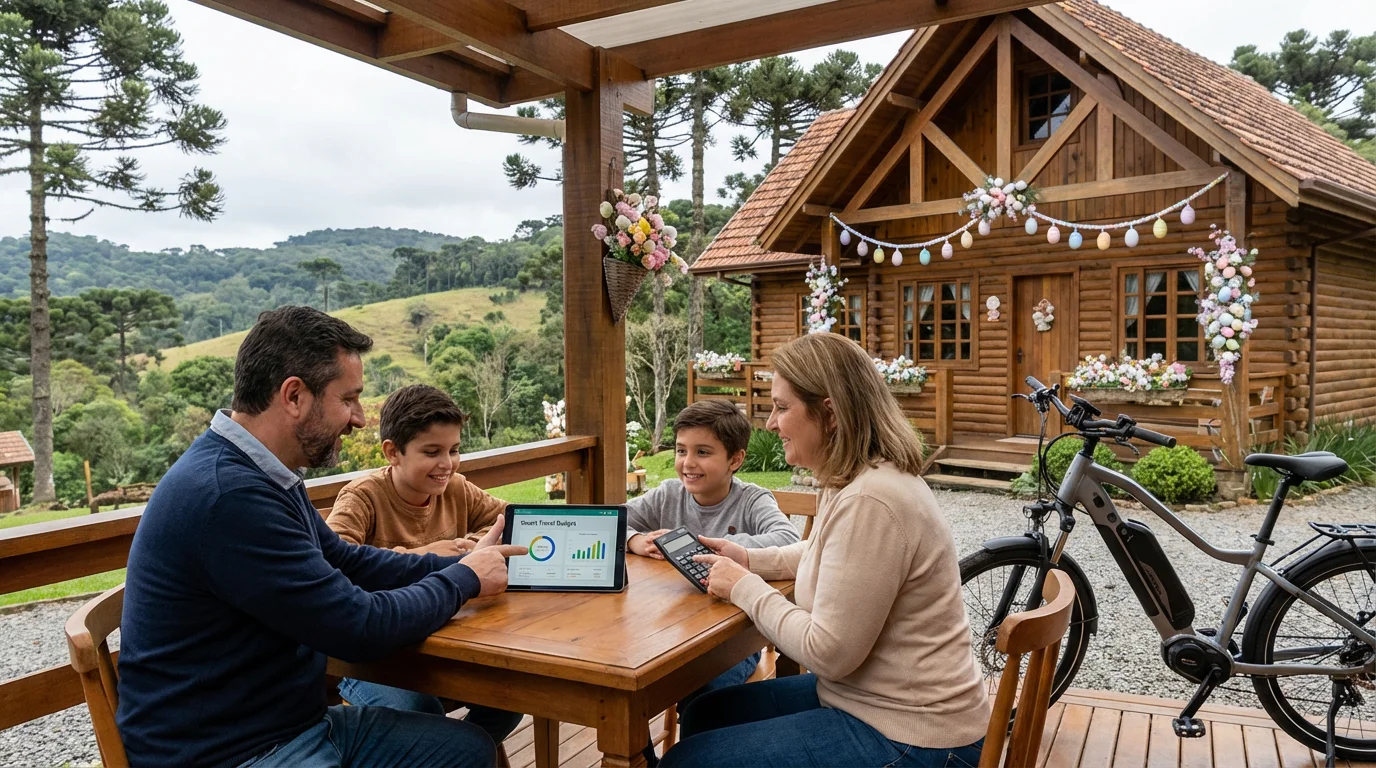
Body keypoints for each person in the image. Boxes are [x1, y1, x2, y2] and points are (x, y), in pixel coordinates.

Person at [117, 306, 527, 768]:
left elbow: (348, 561)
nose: (357, 419)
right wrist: (462, 581)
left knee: (468, 749)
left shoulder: (266, 475)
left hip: (291, 726)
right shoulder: (229, 496)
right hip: (229, 752)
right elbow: (359, 628)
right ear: (294, 395)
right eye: (348, 399)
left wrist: (459, 564)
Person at [661, 333, 988, 768]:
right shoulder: (854, 479)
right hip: (868, 701)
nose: (770, 423)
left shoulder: (872, 500)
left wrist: (746, 588)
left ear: (829, 413)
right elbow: (825, 553)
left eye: (781, 407)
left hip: (915, 737)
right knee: (706, 712)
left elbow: (828, 654)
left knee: (690, 761)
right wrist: (749, 559)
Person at [326, 383, 523, 747]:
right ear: (393, 452)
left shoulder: (457, 488)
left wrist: (477, 543)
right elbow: (333, 565)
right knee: (422, 714)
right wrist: (429, 553)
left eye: (454, 450)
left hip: (445, 643)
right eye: (432, 452)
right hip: (374, 657)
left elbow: (514, 518)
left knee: (512, 696)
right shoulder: (362, 496)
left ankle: (464, 751)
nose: (446, 463)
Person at [624, 399, 799, 765]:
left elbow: (786, 539)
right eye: (681, 450)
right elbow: (612, 519)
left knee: (700, 696)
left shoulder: (752, 499)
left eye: (703, 452)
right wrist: (633, 539)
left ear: (735, 460)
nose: (688, 463)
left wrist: (726, 549)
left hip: (732, 636)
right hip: (668, 629)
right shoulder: (669, 494)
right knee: (628, 692)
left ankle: (697, 757)